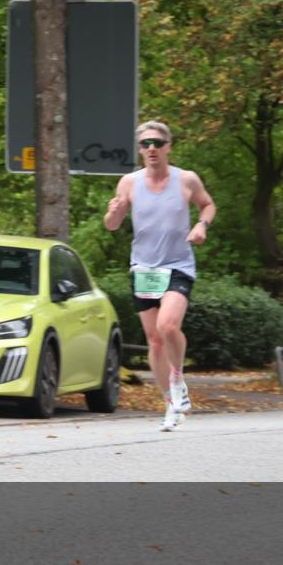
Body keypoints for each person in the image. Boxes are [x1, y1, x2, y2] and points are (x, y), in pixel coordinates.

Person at [104, 120, 216, 431]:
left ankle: (178, 380)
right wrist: (113, 213)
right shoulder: (129, 183)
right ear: (140, 150)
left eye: (156, 143)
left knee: (168, 326)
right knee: (154, 341)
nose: (151, 148)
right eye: (145, 144)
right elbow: (112, 224)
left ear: (167, 147)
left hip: (178, 264)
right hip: (143, 268)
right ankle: (170, 403)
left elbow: (207, 205)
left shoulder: (186, 179)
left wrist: (201, 225)